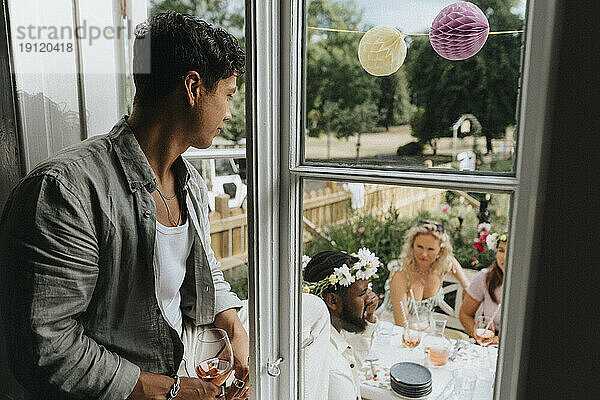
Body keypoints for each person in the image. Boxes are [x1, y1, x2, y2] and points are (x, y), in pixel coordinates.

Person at [0, 12, 249, 400]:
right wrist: (171, 392)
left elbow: (201, 266)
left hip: (178, 359)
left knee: (307, 313)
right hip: (132, 387)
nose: (230, 112)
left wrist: (229, 319)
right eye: (229, 94)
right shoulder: (65, 192)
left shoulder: (191, 185)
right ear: (194, 87)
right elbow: (46, 349)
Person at [303, 249, 380, 400]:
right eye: (362, 293)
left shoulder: (329, 328)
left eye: (368, 290)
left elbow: (353, 359)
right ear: (332, 300)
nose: (370, 298)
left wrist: (368, 316)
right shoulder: (334, 370)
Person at [376, 220, 470, 326]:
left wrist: (465, 284)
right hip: (393, 330)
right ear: (412, 245)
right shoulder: (400, 272)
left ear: (441, 250)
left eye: (431, 249)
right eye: (419, 247)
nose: (424, 254)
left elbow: (451, 260)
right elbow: (401, 323)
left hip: (425, 328)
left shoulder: (440, 267)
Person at [460, 232, 508, 342]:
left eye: (511, 251)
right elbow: (465, 314)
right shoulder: (485, 277)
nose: (504, 257)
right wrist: (481, 338)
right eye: (501, 250)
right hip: (489, 340)